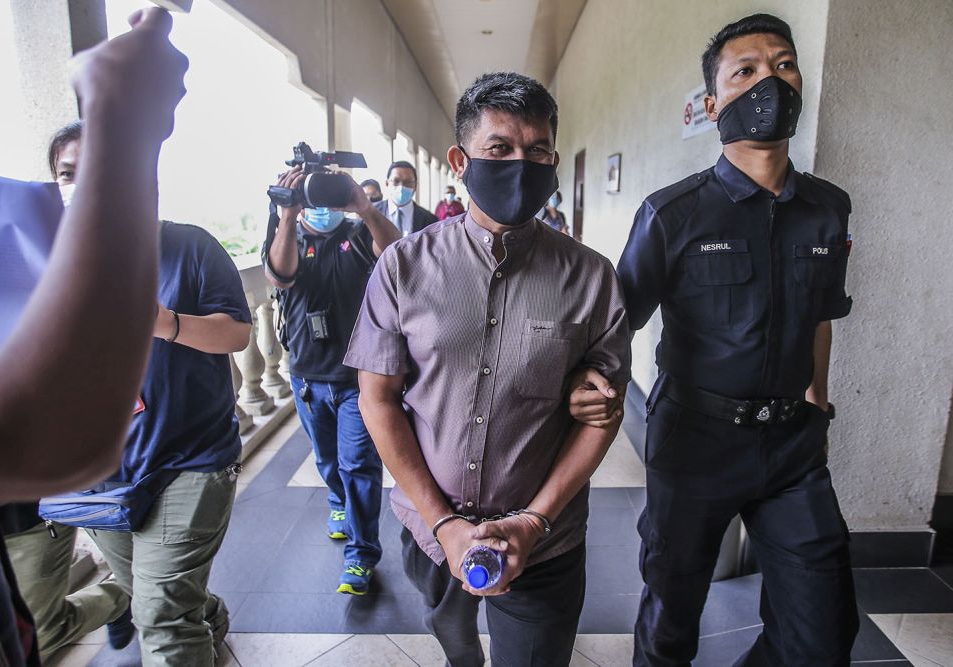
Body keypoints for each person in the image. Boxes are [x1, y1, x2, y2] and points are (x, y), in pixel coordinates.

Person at [573, 14, 859, 666]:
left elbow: (822, 314)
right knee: (671, 621)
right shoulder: (673, 213)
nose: (769, 82)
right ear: (712, 105)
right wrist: (591, 394)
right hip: (694, 441)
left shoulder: (828, 208)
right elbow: (617, 324)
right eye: (745, 71)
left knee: (822, 634)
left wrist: (818, 400)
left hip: (792, 447)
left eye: (783, 65)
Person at [346, 71, 631, 666]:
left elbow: (602, 415)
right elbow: (378, 398)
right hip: (429, 527)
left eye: (538, 151)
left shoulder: (591, 278)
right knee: (453, 637)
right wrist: (443, 524)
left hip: (545, 537)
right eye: (499, 149)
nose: (520, 165)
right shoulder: (402, 267)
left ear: (554, 162)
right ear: (460, 161)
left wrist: (534, 520)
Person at [0, 8, 187, 665]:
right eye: (66, 172)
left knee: (157, 603)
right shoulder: (35, 255)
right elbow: (47, 428)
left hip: (173, 458)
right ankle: (118, 601)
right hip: (72, 493)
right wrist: (125, 126)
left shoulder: (186, 248)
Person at [53, 118, 252, 665]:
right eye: (68, 173)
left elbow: (237, 333)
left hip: (189, 458)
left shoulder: (189, 247)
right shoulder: (46, 260)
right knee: (153, 591)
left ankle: (190, 624)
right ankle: (207, 617)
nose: (83, 184)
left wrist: (165, 323)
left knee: (160, 615)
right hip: (98, 472)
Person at [0, 122, 147, 663]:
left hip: (31, 495)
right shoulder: (13, 263)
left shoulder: (138, 257)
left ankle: (136, 597)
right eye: (66, 173)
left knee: (38, 632)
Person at [263, 165, 400, 595]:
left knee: (358, 464)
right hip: (307, 374)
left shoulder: (358, 234)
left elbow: (398, 252)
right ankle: (338, 500)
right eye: (313, 194)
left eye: (327, 193)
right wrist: (287, 215)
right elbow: (280, 274)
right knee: (326, 458)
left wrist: (364, 207)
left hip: (359, 376)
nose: (321, 203)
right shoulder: (285, 233)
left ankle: (361, 554)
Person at [374, 160, 438, 236]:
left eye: (408, 182)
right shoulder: (371, 213)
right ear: (387, 184)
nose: (401, 187)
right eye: (396, 181)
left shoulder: (430, 221)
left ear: (415, 186)